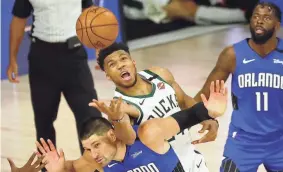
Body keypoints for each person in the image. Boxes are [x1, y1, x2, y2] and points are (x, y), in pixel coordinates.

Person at [93, 42, 221, 171]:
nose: (121, 65)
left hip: (191, 157)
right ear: (108, 76)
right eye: (112, 64)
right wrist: (117, 119)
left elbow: (183, 100)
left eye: (123, 58)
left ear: (133, 62)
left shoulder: (160, 74)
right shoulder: (119, 107)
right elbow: (128, 139)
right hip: (165, 166)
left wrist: (207, 118)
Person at [36, 87, 227, 172]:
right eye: (87, 148)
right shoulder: (98, 158)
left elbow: (187, 117)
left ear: (112, 135)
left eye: (95, 145)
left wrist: (210, 111)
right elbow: (71, 168)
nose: (92, 154)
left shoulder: (148, 134)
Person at [194, 2, 283, 172]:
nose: (259, 21)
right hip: (243, 141)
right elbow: (203, 96)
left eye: (266, 18)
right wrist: (181, 117)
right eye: (256, 16)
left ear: (277, 25)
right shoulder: (232, 54)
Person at [7, 0, 102, 155]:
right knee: (43, 123)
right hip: (42, 59)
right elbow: (18, 19)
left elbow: (89, 12)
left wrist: (99, 46)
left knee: (91, 118)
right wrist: (12, 59)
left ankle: (93, 167)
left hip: (75, 57)